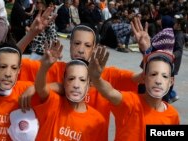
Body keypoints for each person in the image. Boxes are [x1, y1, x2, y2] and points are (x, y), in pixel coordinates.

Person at [18, 19, 147, 140]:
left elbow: (143, 78)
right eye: (77, 43)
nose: (81, 50)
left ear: (94, 48)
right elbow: (8, 62)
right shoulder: (54, 68)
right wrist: (31, 34)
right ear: (70, 43)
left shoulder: (107, 75)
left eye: (87, 45)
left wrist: (146, 51)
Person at [88, 47, 180, 141]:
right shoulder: (131, 103)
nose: (158, 81)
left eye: (164, 76)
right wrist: (96, 79)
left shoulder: (173, 115)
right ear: (144, 77)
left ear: (171, 81)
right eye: (153, 74)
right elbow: (110, 92)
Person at [33, 43, 106, 140]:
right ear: (64, 81)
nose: (76, 85)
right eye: (71, 79)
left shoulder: (98, 121)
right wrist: (44, 67)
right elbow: (41, 88)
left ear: (89, 84)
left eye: (82, 80)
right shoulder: (54, 103)